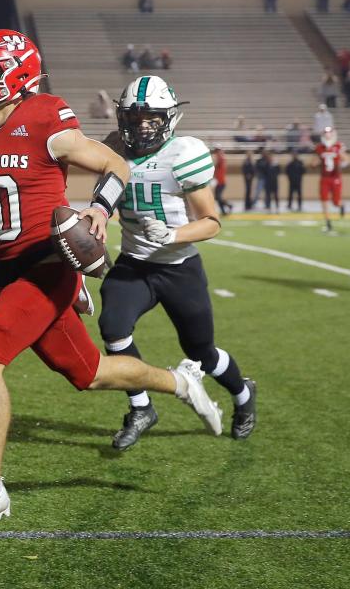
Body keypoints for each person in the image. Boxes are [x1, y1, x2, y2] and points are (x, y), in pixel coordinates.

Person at [0, 30, 223, 530]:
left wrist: (100, 209)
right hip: (10, 273)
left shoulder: (44, 116)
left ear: (17, 73)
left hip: (51, 265)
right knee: (90, 373)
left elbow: (115, 162)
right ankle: (180, 381)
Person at [96, 76, 256, 450]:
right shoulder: (113, 147)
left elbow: (212, 222)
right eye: (135, 119)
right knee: (113, 329)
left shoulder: (184, 153)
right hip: (134, 263)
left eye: (151, 118)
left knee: (202, 351)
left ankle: (243, 394)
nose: (142, 126)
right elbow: (105, 196)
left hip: (178, 265)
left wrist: (173, 234)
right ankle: (141, 407)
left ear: (168, 119)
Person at [315, 127, 348, 231]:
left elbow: (346, 160)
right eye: (326, 133)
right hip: (324, 177)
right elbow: (315, 161)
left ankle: (341, 205)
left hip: (335, 178)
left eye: (329, 133)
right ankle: (328, 222)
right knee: (324, 200)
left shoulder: (338, 146)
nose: (327, 135)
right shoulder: (320, 147)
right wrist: (314, 163)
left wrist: (340, 167)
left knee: (336, 202)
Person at [212, 147, 232, 215]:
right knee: (217, 197)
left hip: (221, 182)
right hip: (219, 181)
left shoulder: (221, 158)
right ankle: (223, 211)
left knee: (218, 197)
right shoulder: (220, 158)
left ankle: (228, 206)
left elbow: (218, 165)